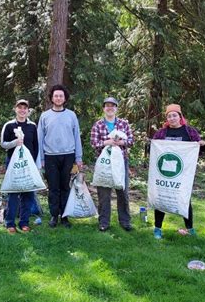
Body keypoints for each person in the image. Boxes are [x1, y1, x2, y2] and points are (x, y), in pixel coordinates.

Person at [151, 103, 205, 239]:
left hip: (181, 174)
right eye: (169, 116)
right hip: (163, 173)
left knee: (184, 199)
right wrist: (150, 144)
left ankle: (190, 229)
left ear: (180, 116)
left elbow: (199, 151)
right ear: (167, 119)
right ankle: (157, 229)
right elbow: (153, 150)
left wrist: (202, 145)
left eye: (174, 115)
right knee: (161, 199)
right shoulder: (162, 133)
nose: (172, 118)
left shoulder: (189, 131)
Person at [38, 84, 83, 228]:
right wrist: (41, 159)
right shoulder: (45, 116)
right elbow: (40, 138)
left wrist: (79, 157)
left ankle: (64, 216)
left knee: (65, 187)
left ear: (65, 98)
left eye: (61, 96)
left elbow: (77, 137)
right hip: (50, 156)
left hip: (68, 156)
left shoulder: (71, 115)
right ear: (51, 98)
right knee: (53, 188)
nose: (58, 98)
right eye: (56, 96)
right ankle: (53, 216)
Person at [90, 97, 134, 232]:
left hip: (121, 162)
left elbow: (131, 140)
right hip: (104, 163)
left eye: (112, 106)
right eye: (107, 106)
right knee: (104, 193)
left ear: (116, 108)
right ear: (103, 108)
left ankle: (125, 222)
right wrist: (106, 143)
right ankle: (104, 222)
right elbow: (93, 143)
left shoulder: (123, 124)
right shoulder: (98, 125)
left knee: (123, 192)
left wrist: (121, 142)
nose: (110, 108)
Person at [1, 99, 39, 233]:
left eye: (25, 108)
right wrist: (15, 142)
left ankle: (24, 222)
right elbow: (3, 144)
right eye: (19, 108)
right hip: (13, 165)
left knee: (28, 194)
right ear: (15, 109)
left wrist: (34, 164)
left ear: (28, 111)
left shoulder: (32, 126)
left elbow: (36, 146)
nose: (22, 110)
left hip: (28, 165)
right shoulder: (9, 125)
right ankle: (10, 223)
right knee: (13, 193)